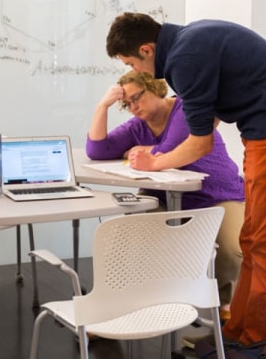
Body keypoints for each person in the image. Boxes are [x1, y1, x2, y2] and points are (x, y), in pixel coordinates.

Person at [105, 12, 266, 346]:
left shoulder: (184, 58)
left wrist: (156, 162)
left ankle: (254, 345)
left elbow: (201, 143)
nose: (135, 71)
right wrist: (169, 151)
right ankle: (236, 336)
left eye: (132, 63)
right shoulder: (190, 42)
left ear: (147, 50)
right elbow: (209, 119)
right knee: (253, 239)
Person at [86, 70, 244, 327]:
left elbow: (172, 148)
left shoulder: (184, 108)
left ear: (155, 88)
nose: (134, 107)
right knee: (133, 240)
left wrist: (146, 150)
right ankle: (137, 304)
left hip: (217, 192)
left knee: (231, 249)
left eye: (137, 98)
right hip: (162, 196)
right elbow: (97, 150)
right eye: (127, 104)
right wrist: (102, 106)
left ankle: (224, 307)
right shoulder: (138, 126)